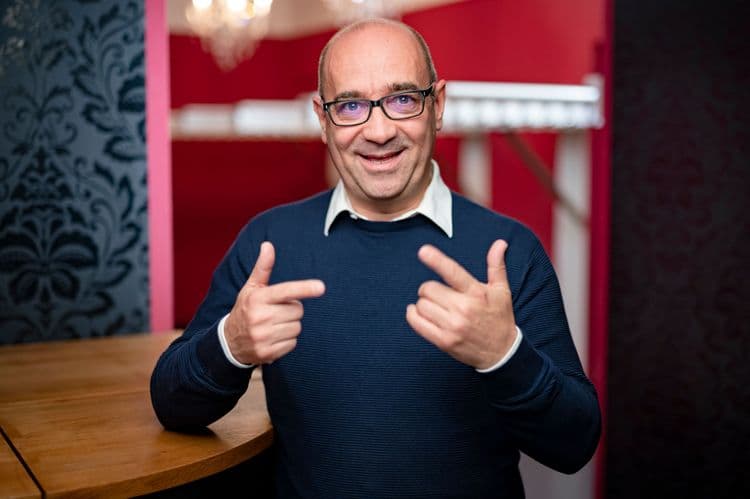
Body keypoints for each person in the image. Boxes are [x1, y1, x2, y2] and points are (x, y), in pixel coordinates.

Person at [150, 18, 601, 498]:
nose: (379, 131)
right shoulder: (269, 242)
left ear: (437, 106)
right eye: (350, 106)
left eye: (402, 99)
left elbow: (574, 445)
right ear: (323, 120)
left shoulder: (508, 252)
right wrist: (230, 346)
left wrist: (504, 356)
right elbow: (172, 406)